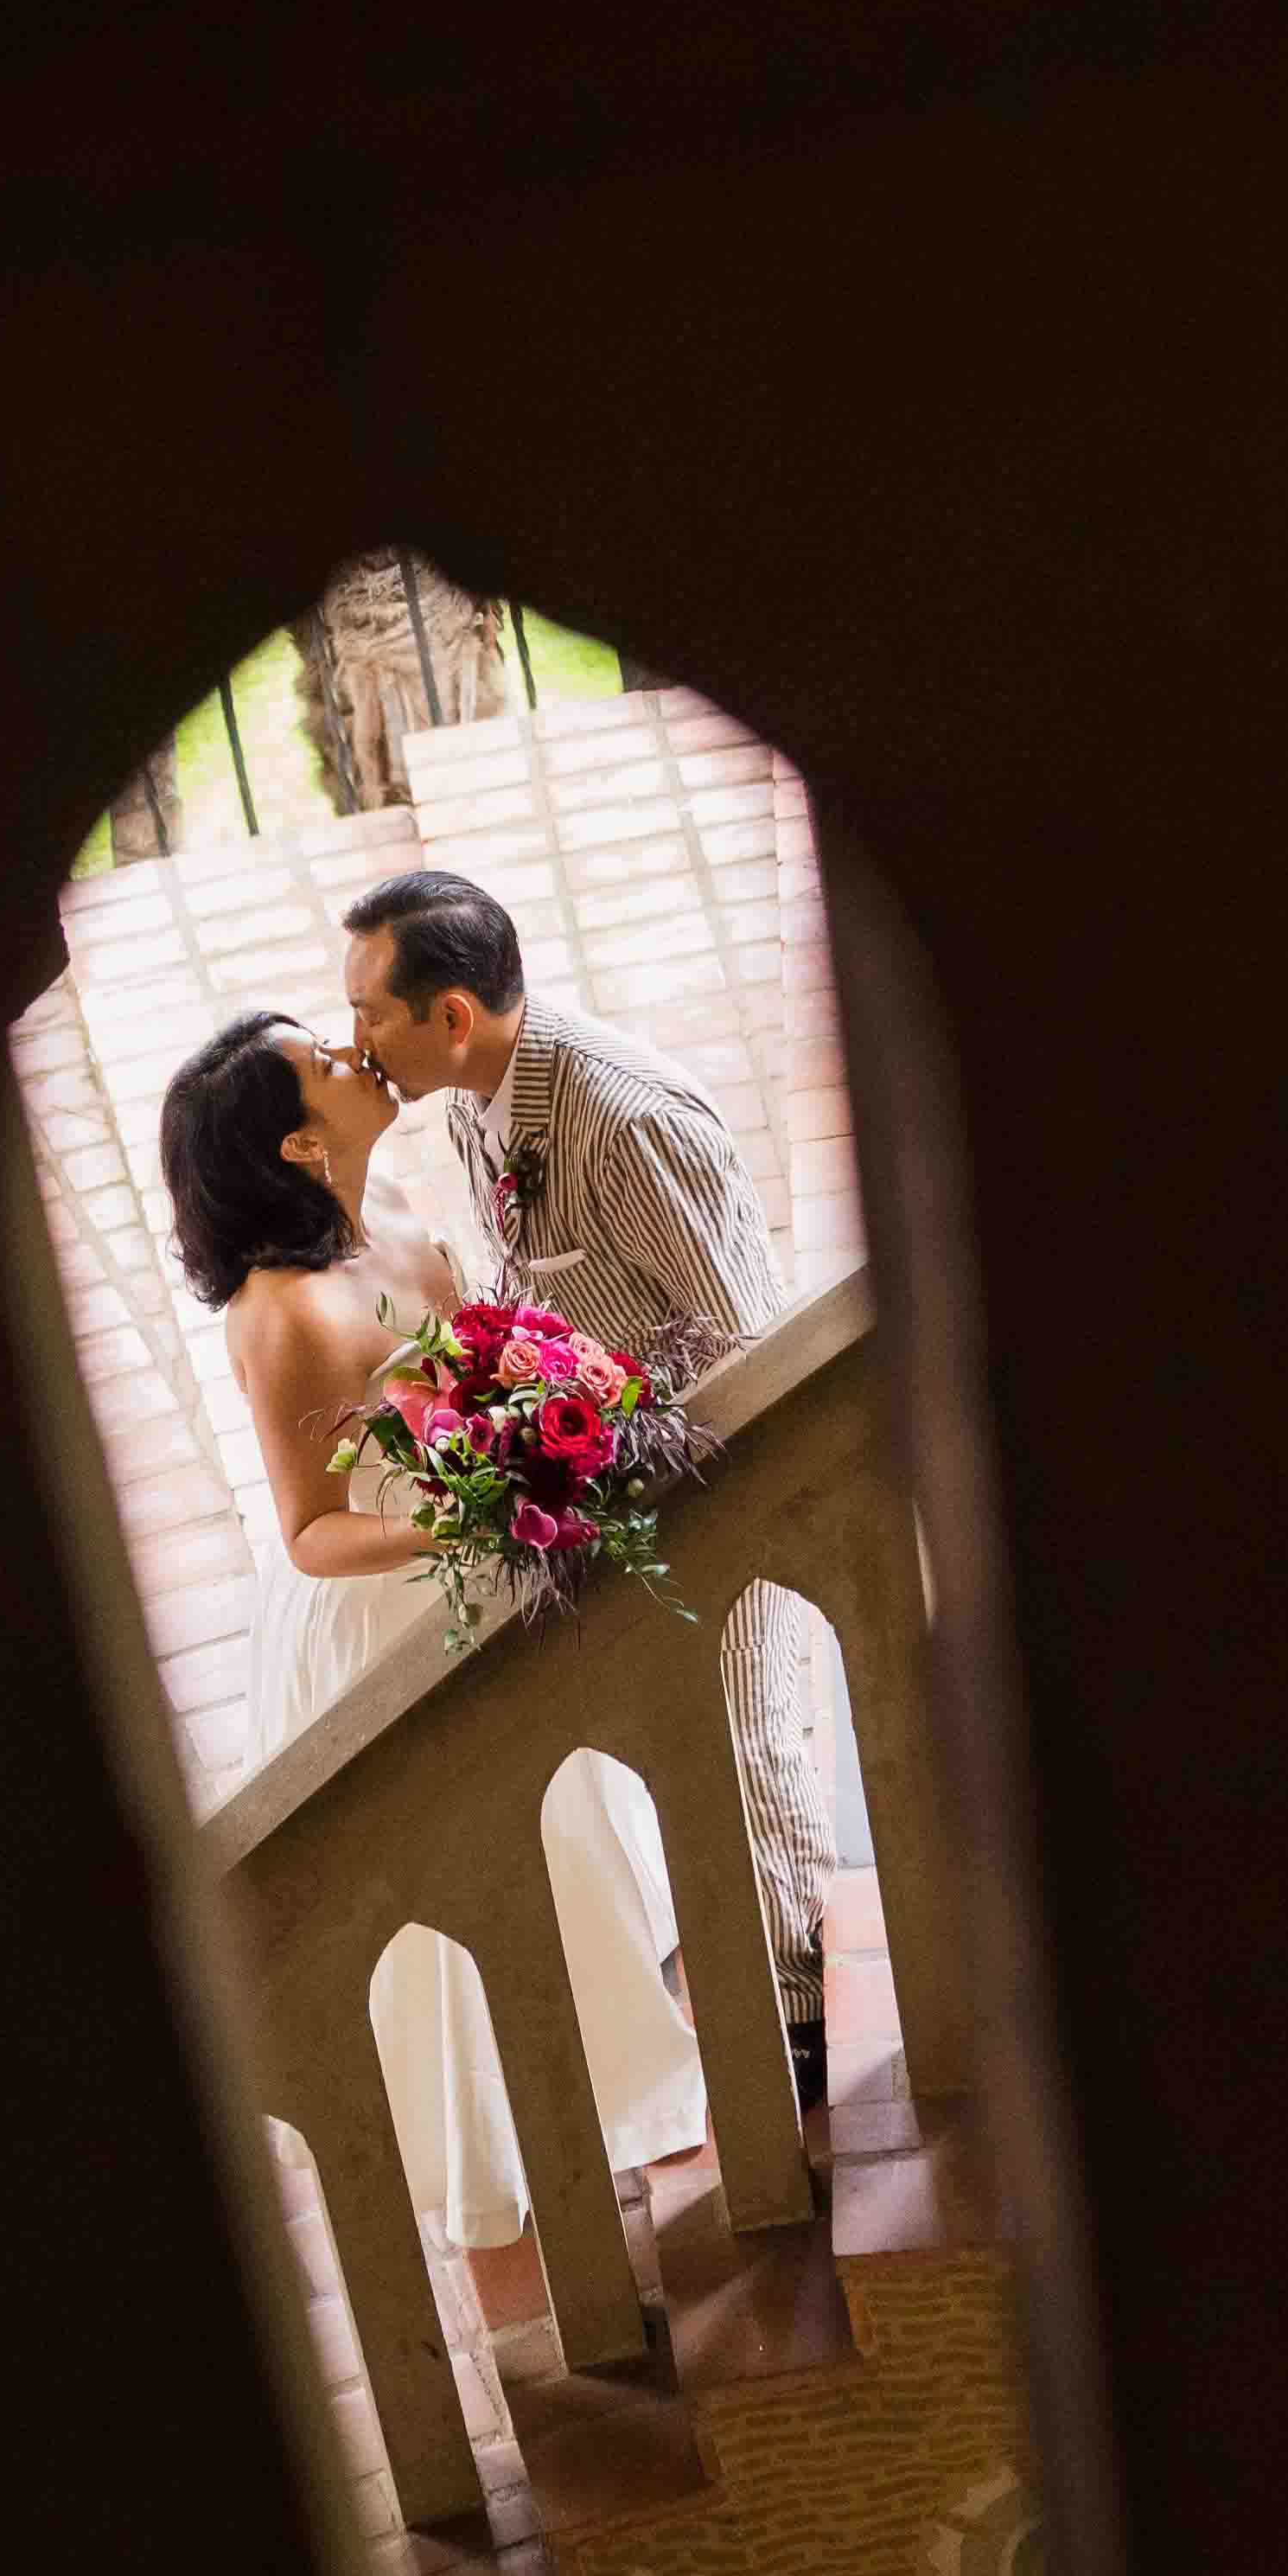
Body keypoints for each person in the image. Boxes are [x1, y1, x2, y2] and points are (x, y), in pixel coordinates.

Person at [157, 1013, 708, 2256]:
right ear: (302, 1141)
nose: (360, 1062)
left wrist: (537, 1410)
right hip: (388, 1600)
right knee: (476, 1866)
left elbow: (474, 1352)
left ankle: (641, 2101)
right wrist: (476, 1520)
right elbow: (309, 1529)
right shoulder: (284, 1315)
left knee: (569, 1826)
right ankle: (506, 2175)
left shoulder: (390, 1199)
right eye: (328, 1065)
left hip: (480, 1547)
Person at [335, 868, 850, 2114]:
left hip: (724, 1500)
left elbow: (753, 1346)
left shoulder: (626, 1120)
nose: (354, 1037)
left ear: (451, 1016)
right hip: (620, 1500)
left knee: (754, 1770)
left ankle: (818, 2066)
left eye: (370, 1011)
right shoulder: (473, 1103)